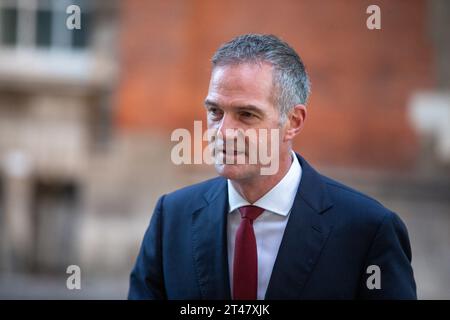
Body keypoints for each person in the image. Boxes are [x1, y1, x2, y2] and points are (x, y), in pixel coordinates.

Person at [128, 34, 416, 300]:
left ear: (293, 122)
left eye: (246, 114)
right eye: (215, 112)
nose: (223, 131)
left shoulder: (368, 230)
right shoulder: (172, 217)